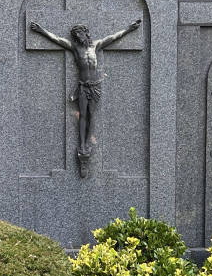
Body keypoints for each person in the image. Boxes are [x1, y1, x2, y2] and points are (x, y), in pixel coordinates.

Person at [29, 18, 142, 175]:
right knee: (82, 115)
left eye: (79, 34)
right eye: (75, 35)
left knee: (91, 115)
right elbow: (57, 39)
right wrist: (41, 31)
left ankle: (88, 143)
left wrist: (129, 29)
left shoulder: (96, 45)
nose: (78, 37)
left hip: (95, 86)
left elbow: (114, 37)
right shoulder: (75, 48)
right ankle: (81, 144)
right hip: (83, 86)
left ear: (86, 33)